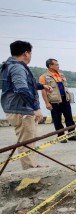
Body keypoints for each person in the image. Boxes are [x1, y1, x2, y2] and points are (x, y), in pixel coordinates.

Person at [1, 40, 52, 169]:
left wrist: (42, 86)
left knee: (29, 140)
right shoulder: (18, 67)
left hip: (14, 108)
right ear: (26, 53)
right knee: (27, 142)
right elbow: (22, 89)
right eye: (30, 53)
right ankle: (30, 171)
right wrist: (36, 108)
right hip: (21, 109)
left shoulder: (9, 65)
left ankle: (32, 165)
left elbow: (24, 84)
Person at [39, 58, 76, 143]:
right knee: (57, 119)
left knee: (69, 117)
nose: (58, 66)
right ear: (50, 65)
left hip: (65, 99)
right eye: (56, 64)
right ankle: (61, 136)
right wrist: (47, 103)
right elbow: (43, 91)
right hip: (54, 101)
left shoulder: (61, 75)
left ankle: (71, 135)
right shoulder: (43, 77)